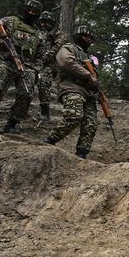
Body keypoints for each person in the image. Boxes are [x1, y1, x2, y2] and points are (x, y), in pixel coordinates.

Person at [0, 0, 45, 132]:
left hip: (27, 66)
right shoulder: (11, 21)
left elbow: (40, 57)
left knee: (27, 93)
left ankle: (12, 124)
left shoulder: (39, 34)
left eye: (34, 12)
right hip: (7, 60)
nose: (31, 13)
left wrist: (35, 70)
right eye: (29, 10)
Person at [44, 25, 100, 159]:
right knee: (74, 115)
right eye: (85, 37)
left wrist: (97, 89)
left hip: (89, 93)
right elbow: (65, 62)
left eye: (90, 38)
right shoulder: (68, 48)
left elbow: (96, 75)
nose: (87, 40)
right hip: (72, 87)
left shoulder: (92, 57)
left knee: (91, 123)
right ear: (78, 37)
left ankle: (82, 153)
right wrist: (87, 75)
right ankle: (50, 140)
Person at [34, 11, 66, 125]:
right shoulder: (36, 33)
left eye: (47, 22)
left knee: (43, 82)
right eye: (42, 22)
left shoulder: (58, 34)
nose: (44, 24)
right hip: (33, 63)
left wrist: (43, 59)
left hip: (49, 65)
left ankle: (45, 112)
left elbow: (56, 48)